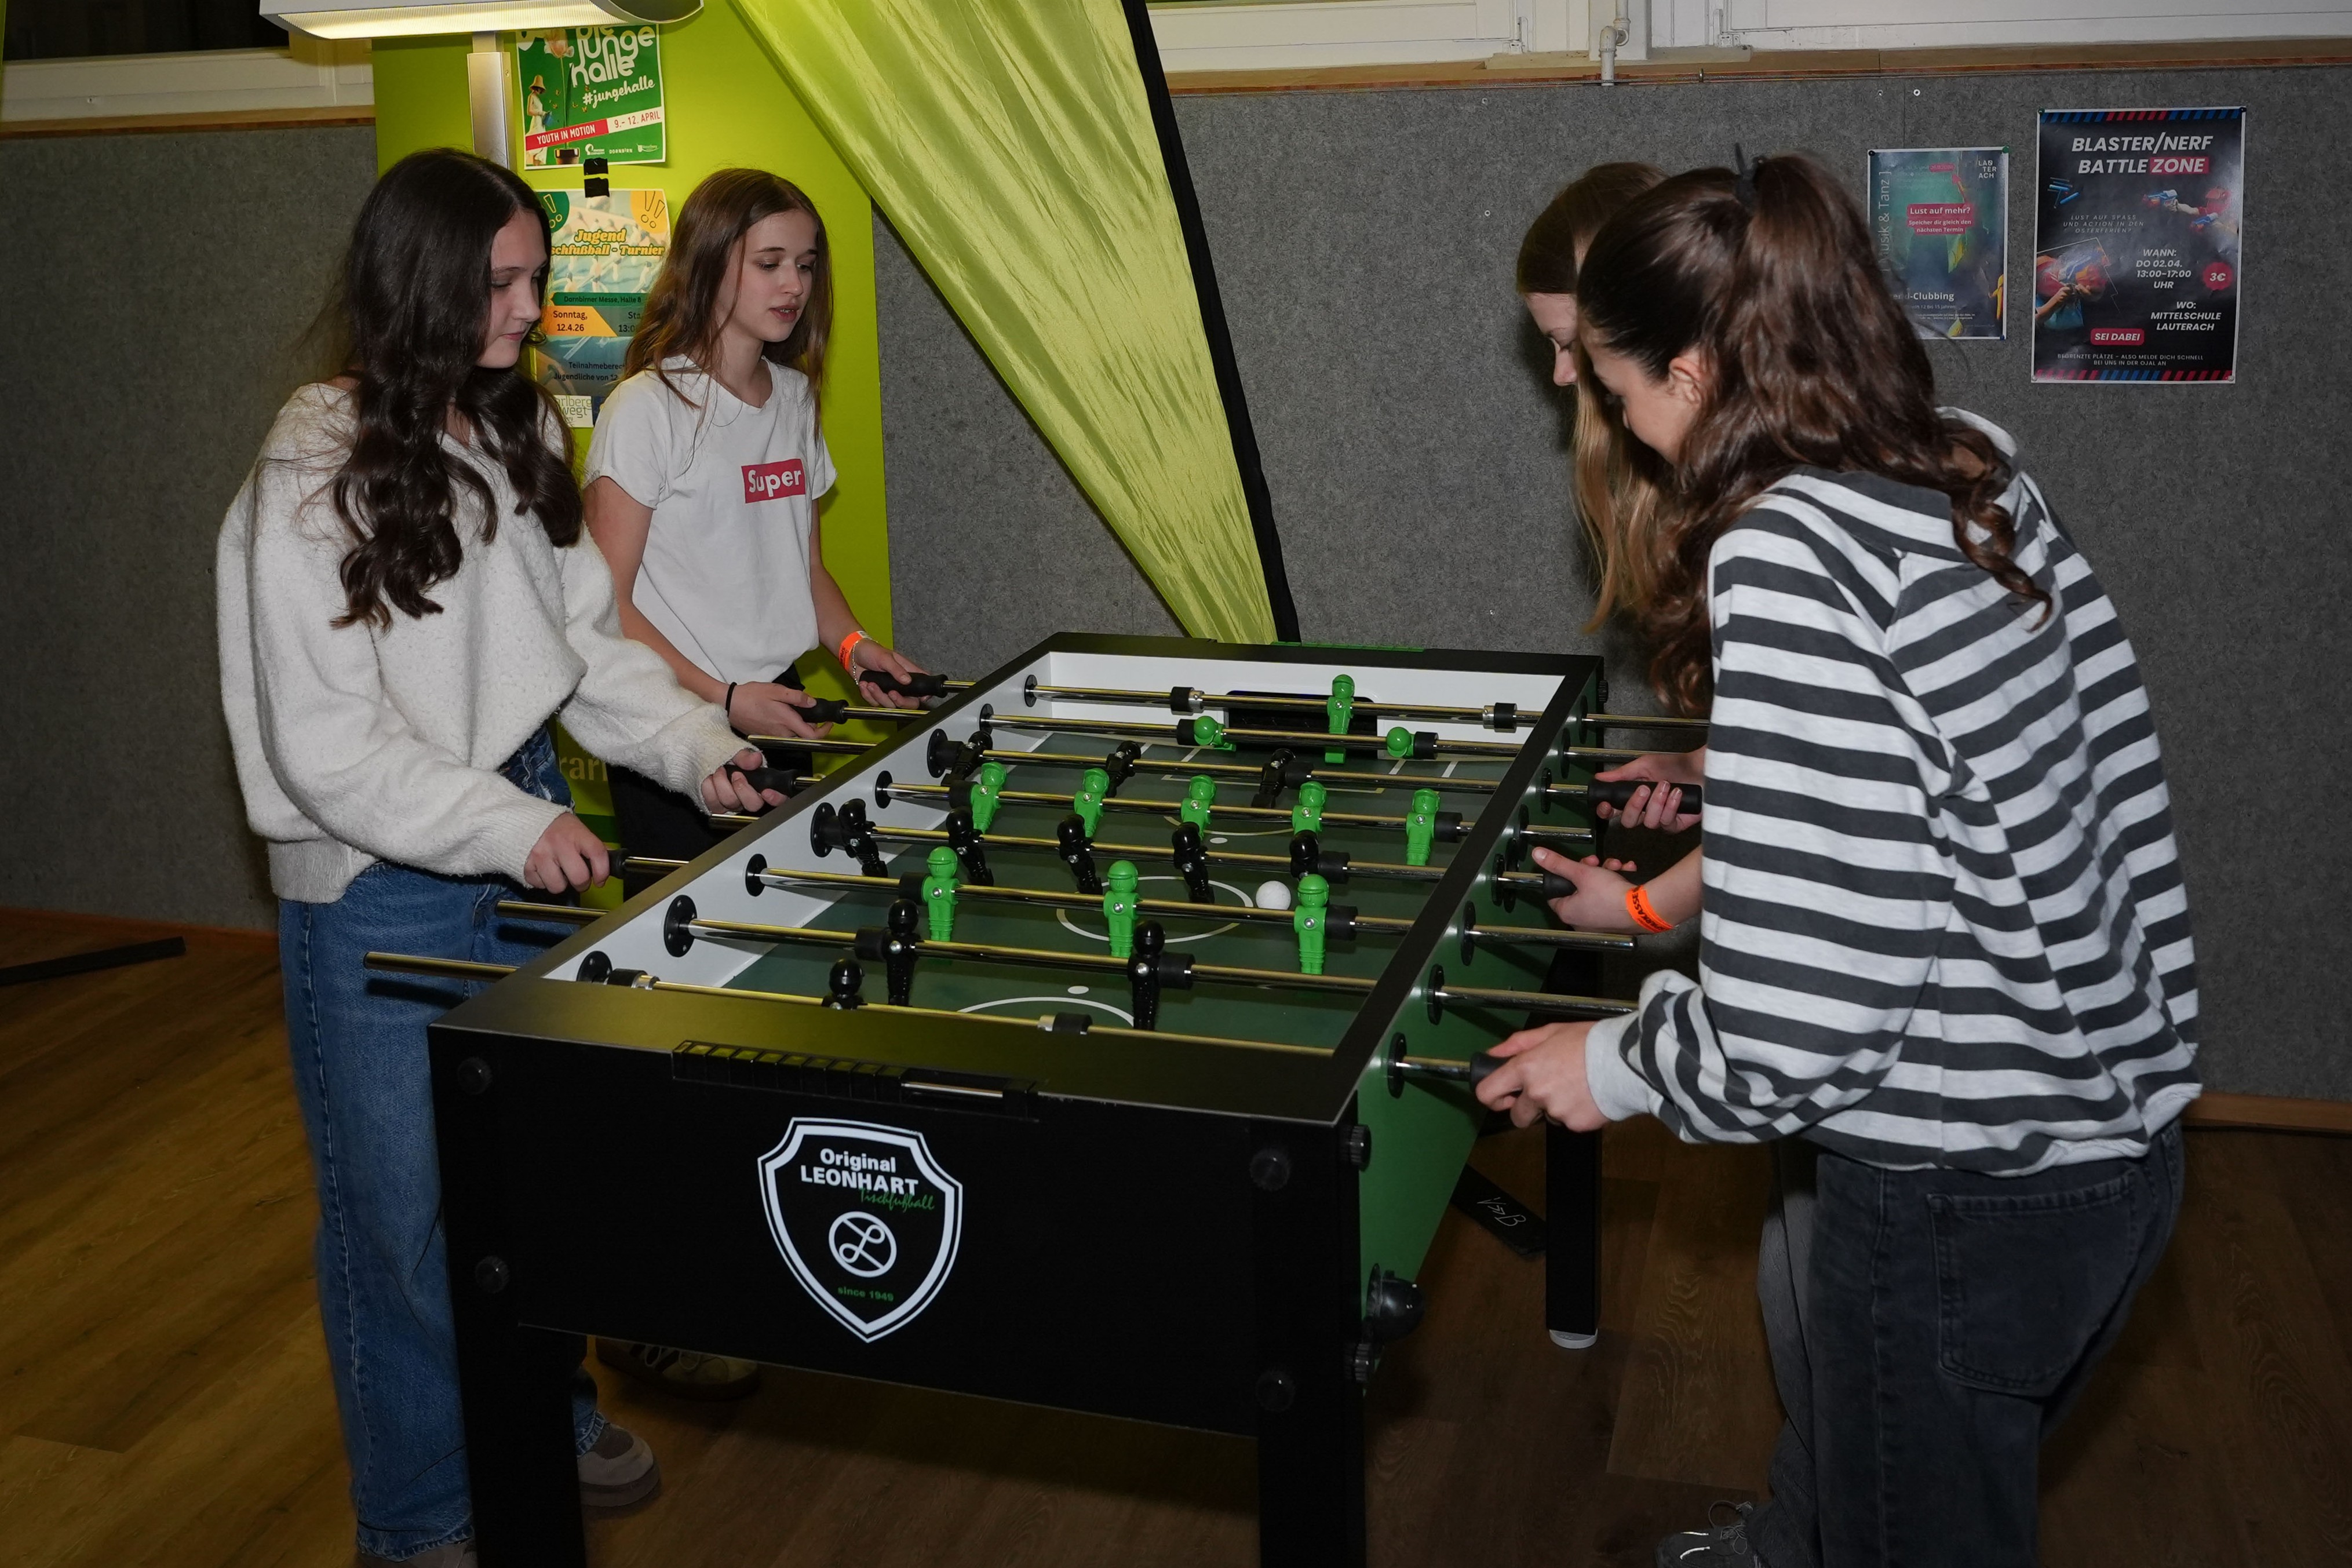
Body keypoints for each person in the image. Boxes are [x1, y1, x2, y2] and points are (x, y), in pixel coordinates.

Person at [1479, 154, 2200, 1568]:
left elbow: (1807, 1019)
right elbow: (2008, 773)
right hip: (2103, 1140)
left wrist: (1612, 1062)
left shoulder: (1780, 549)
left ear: (1689, 370)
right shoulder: (1955, 455)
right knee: (1879, 1482)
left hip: (1956, 1189)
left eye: (1614, 388)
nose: (1615, 424)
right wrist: (1748, 771)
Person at [217, 148, 782, 1568]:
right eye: (505, 283)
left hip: (509, 829)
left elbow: (580, 645)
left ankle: (546, 1412)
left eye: (535, 277)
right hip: (376, 886)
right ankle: (418, 1521)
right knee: (399, 1227)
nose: (532, 307)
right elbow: (325, 752)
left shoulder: (508, 423)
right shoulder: (309, 467)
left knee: (531, 1187)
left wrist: (693, 742)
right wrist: (513, 825)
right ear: (420, 283)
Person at [584, 167, 927, 876]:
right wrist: (727, 700)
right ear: (709, 266)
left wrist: (854, 647)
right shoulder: (645, 409)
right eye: (770, 264)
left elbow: (804, 569)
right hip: (675, 722)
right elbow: (605, 604)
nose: (794, 285)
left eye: (805, 265)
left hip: (776, 704)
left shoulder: (796, 398)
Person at [1517, 162, 1702, 905]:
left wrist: (1644, 910)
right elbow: (1811, 741)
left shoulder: (1773, 533)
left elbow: (1814, 803)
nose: (1564, 375)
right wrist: (1704, 767)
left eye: (1573, 345)